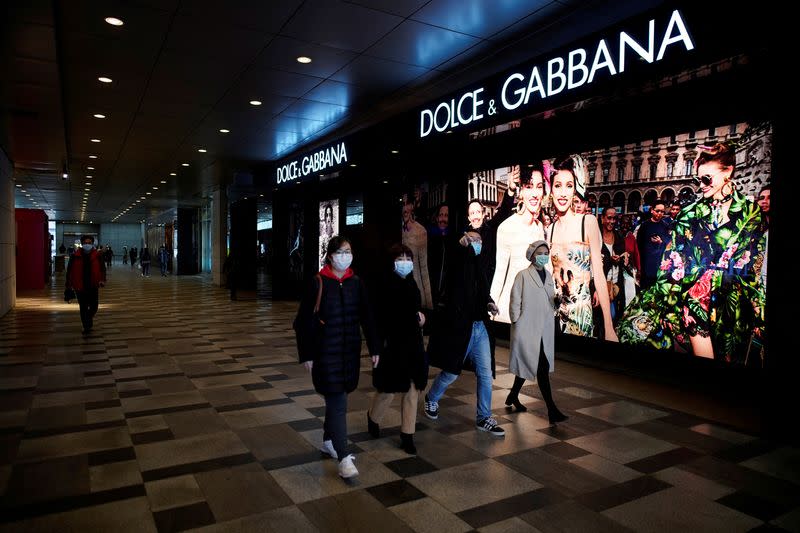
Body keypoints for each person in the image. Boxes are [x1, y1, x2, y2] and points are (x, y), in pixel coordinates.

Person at [618, 142, 767, 363]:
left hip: (730, 308)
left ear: (728, 171)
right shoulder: (689, 214)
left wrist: (760, 314)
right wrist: (668, 308)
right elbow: (671, 263)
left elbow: (751, 267)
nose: (702, 186)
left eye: (707, 178)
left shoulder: (750, 212)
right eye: (699, 180)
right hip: (692, 303)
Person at [295, 236, 380, 478]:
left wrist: (375, 348)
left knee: (339, 397)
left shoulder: (356, 283)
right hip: (324, 354)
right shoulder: (318, 282)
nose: (345, 255)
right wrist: (306, 354)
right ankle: (343, 457)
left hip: (349, 352)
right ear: (331, 255)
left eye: (349, 251)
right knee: (337, 401)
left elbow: (367, 317)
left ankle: (328, 441)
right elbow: (302, 322)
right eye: (341, 251)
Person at [424, 230, 505, 437]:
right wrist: (460, 248)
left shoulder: (480, 263)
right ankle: (431, 398)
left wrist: (489, 302)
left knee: (485, 374)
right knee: (451, 372)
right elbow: (452, 274)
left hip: (480, 326)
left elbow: (483, 290)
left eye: (479, 240)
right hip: (461, 327)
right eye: (472, 240)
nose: (476, 243)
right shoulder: (458, 261)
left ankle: (483, 417)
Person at [548, 155, 618, 341]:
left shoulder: (588, 222)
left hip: (581, 319)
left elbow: (600, 276)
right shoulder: (550, 230)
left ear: (574, 190)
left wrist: (609, 326)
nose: (563, 193)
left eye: (569, 186)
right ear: (551, 191)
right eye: (558, 185)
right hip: (554, 319)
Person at [367, 244, 427, 454]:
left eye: (408, 258)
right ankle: (373, 417)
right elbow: (377, 318)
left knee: (413, 390)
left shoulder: (412, 283)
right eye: (400, 258)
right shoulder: (382, 284)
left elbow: (414, 309)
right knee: (388, 390)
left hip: (413, 345)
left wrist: (420, 319)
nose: (405, 262)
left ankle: (407, 435)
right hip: (392, 345)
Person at [505, 240, 568, 424]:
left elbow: (548, 300)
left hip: (543, 330)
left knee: (529, 363)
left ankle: (512, 396)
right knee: (541, 367)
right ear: (532, 255)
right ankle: (552, 410)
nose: (544, 256)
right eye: (540, 253)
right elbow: (515, 300)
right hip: (526, 329)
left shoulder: (548, 276)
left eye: (546, 253)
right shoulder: (522, 276)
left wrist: (556, 302)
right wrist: (516, 321)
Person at [490, 164, 547, 323]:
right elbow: (499, 276)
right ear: (521, 191)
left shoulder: (540, 228)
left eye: (539, 186)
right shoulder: (506, 227)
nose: (535, 193)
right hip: (509, 314)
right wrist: (489, 314)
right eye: (529, 187)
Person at [65, 235, 107, 334]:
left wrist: (102, 280)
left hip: (93, 284)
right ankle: (86, 326)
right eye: (85, 243)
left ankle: (87, 320)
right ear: (82, 244)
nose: (87, 245)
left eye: (89, 243)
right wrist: (68, 284)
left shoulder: (97, 255)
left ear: (92, 244)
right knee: (83, 306)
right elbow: (69, 271)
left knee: (94, 306)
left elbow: (102, 269)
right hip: (79, 285)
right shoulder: (75, 255)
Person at [599, 207, 628, 323]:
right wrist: (609, 260)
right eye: (609, 218)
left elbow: (623, 257)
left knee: (615, 316)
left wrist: (621, 259)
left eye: (614, 219)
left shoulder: (619, 236)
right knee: (604, 317)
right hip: (601, 284)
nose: (611, 221)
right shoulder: (596, 236)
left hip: (616, 283)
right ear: (602, 218)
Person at [402, 201, 432, 309]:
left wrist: (429, 304)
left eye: (406, 211)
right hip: (399, 284)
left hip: (415, 283)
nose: (404, 212)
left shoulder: (421, 231)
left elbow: (424, 268)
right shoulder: (398, 229)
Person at [637, 200, 671, 291]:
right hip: (646, 266)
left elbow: (669, 246)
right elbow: (638, 246)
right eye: (657, 211)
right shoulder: (644, 226)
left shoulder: (665, 226)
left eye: (662, 212)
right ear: (652, 210)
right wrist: (639, 267)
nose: (659, 214)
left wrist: (661, 242)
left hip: (659, 266)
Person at [319, 203, 335, 269]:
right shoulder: (321, 238)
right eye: (327, 215)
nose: (328, 217)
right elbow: (321, 261)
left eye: (330, 215)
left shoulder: (335, 236)